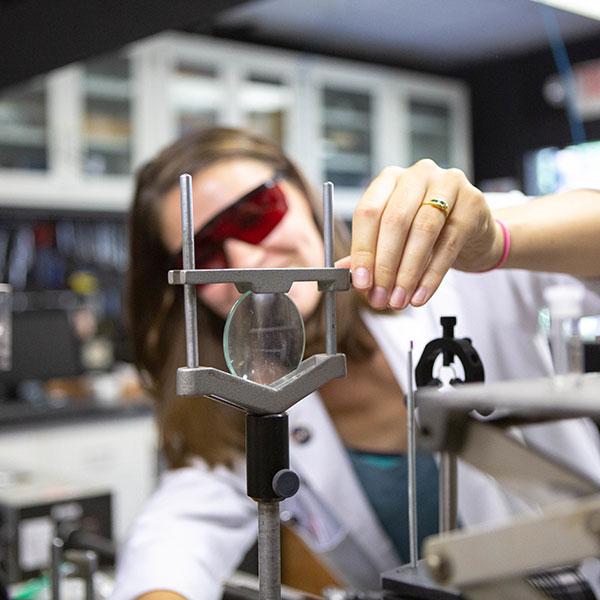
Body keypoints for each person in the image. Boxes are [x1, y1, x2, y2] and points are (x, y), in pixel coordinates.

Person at [113, 126, 600, 600]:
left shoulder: (452, 261)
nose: (246, 254)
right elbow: (178, 535)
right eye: (209, 254)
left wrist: (495, 242)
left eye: (254, 214)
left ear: (303, 195)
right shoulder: (242, 404)